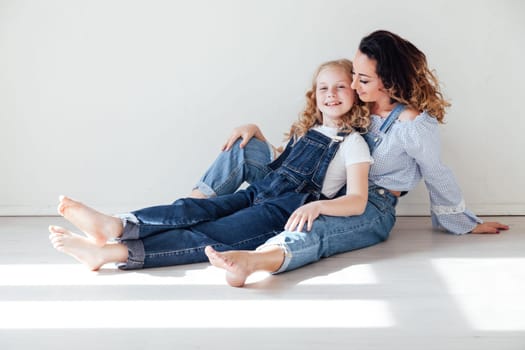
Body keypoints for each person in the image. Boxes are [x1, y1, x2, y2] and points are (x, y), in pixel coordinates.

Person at [195, 30, 509, 287]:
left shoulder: (412, 125)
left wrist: (463, 223)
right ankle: (190, 208)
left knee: (316, 229)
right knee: (243, 147)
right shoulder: (354, 103)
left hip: (371, 203)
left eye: (363, 79)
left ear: (390, 80)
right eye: (354, 76)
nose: (354, 85)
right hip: (321, 188)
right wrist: (258, 133)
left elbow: (436, 172)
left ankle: (254, 262)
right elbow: (310, 147)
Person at [49, 59, 374, 277]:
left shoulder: (352, 143)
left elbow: (358, 199)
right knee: (190, 208)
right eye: (323, 88)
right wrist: (256, 132)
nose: (331, 94)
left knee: (210, 234)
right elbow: (284, 165)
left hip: (279, 214)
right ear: (313, 95)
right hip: (255, 195)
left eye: (340, 87)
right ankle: (118, 224)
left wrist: (319, 205)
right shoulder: (307, 130)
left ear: (356, 93)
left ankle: (111, 253)